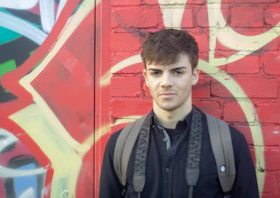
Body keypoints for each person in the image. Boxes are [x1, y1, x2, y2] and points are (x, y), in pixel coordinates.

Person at [99, 29, 259, 198]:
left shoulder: (230, 143)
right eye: (156, 72)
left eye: (178, 72)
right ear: (146, 78)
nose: (166, 83)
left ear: (194, 75)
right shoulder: (120, 145)